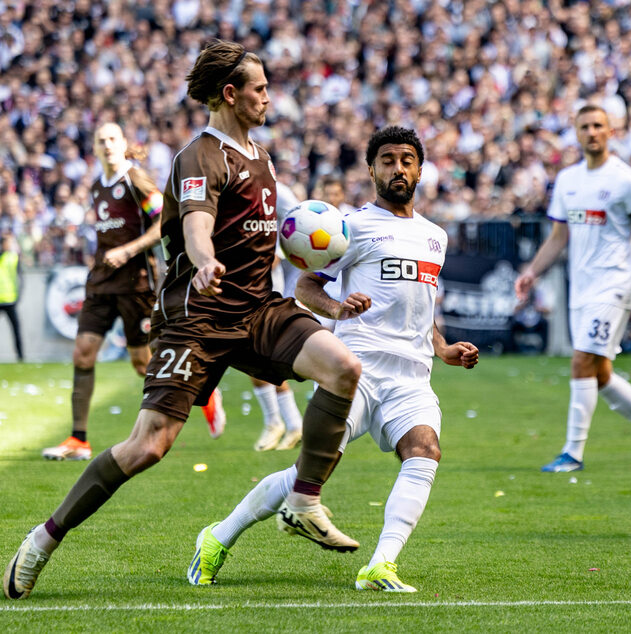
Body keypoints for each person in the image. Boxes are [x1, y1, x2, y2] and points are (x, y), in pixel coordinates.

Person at [4, 39, 361, 601]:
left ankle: (303, 500)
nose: (269, 97)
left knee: (343, 368)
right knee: (148, 446)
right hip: (196, 316)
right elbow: (197, 225)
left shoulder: (262, 158)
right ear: (230, 94)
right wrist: (203, 261)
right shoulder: (199, 156)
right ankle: (43, 539)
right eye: (260, 88)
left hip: (258, 308)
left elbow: (281, 233)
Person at [187, 126, 478, 593]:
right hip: (357, 368)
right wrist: (338, 309)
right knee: (310, 473)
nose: (397, 168)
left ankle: (381, 565)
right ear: (371, 169)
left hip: (412, 375)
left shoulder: (434, 237)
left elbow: (423, 307)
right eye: (386, 160)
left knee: (424, 452)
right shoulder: (352, 226)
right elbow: (305, 287)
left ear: (420, 170)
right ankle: (217, 536)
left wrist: (443, 349)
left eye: (406, 160)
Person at [514, 104, 631, 473]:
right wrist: (533, 272)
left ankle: (572, 453)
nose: (592, 132)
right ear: (576, 132)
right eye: (585, 126)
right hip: (581, 290)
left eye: (598, 126)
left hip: (615, 286)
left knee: (580, 361)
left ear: (611, 132)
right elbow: (559, 236)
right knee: (599, 373)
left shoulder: (626, 180)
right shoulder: (568, 180)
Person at [41, 123, 167, 460]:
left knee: (142, 363)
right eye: (101, 141)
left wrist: (128, 250)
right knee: (82, 353)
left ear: (123, 143)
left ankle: (185, 405)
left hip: (135, 283)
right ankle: (78, 440)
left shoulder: (135, 180)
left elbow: (164, 222)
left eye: (113, 139)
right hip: (100, 282)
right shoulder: (97, 187)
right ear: (94, 149)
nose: (107, 145)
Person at [250, 181, 305, 452]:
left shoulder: (276, 189)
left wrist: (278, 253)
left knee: (261, 358)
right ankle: (287, 423)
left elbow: (299, 220)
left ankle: (283, 422)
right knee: (254, 358)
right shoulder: (224, 184)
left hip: (264, 288)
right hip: (234, 287)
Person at [0, 232, 23, 361]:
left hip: (10, 300)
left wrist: (18, 296)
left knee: (16, 330)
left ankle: (20, 356)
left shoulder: (13, 257)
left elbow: (20, 278)